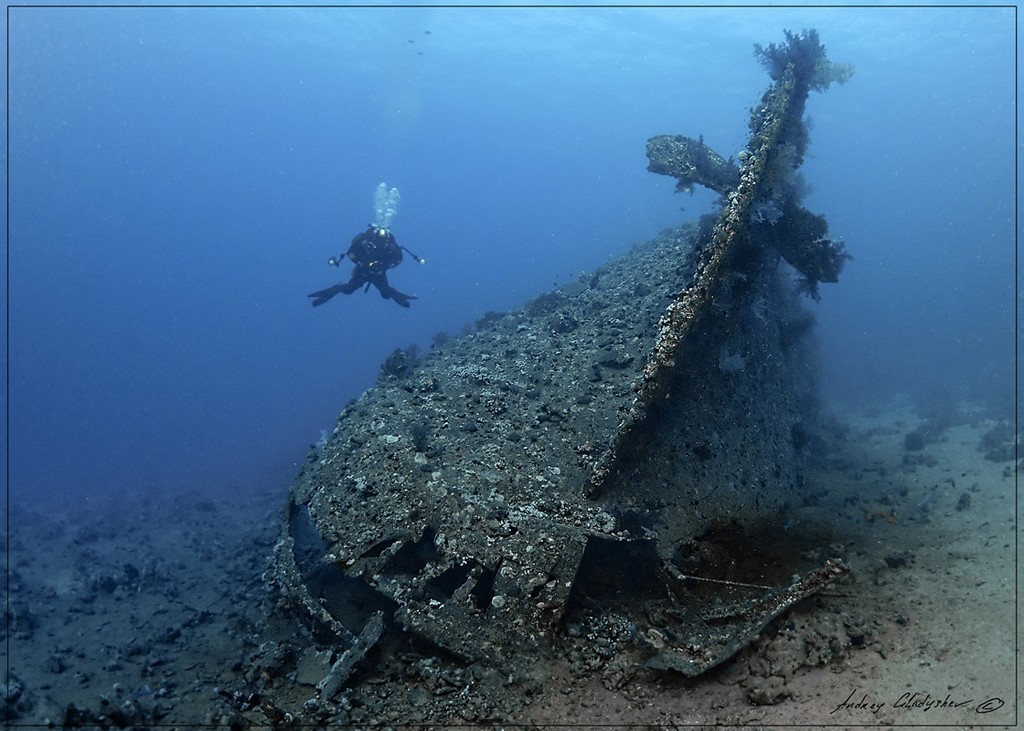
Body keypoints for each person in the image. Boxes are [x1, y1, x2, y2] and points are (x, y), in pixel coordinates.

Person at [308, 225, 418, 309]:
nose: (381, 243)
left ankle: (399, 298)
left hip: (379, 274)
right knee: (348, 290)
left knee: (386, 293)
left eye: (383, 241)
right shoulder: (365, 242)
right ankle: (332, 291)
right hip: (362, 271)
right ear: (374, 237)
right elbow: (351, 253)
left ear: (387, 240)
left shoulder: (391, 246)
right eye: (379, 240)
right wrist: (362, 262)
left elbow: (398, 259)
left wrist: (386, 266)